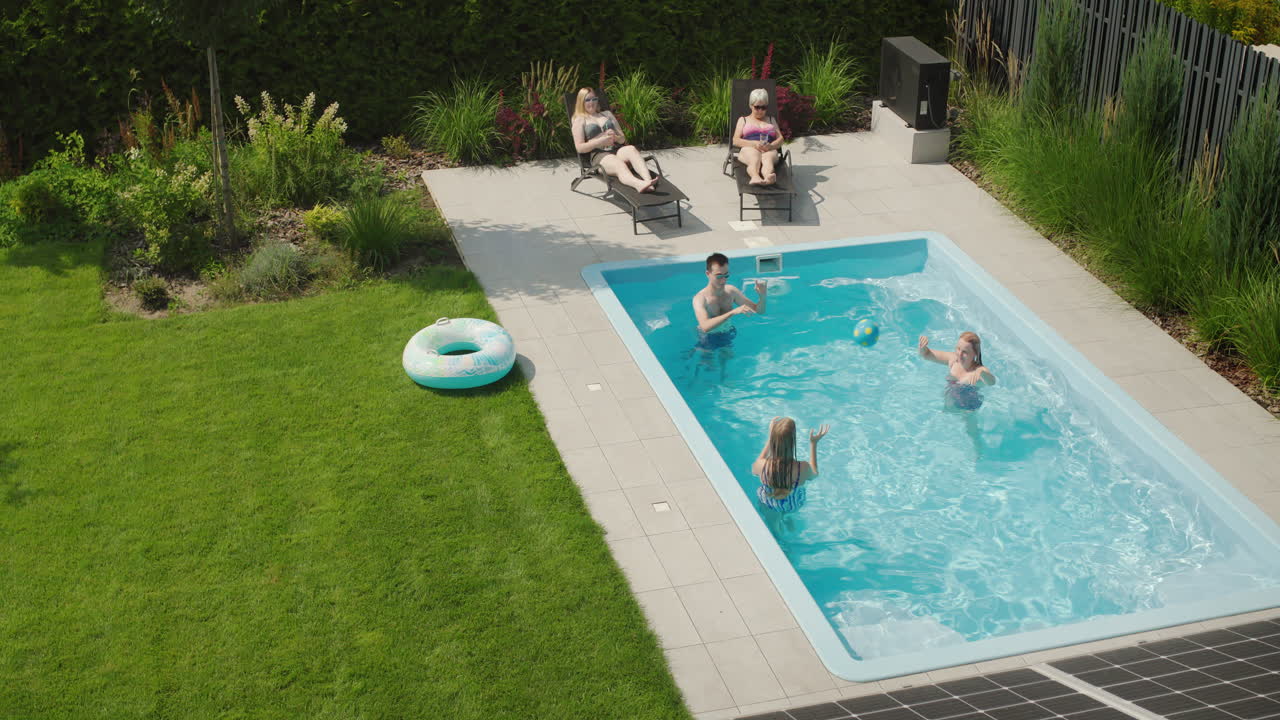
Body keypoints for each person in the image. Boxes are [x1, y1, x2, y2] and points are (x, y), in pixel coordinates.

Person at [571, 87, 659, 193]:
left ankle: (648, 180)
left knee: (631, 149)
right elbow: (579, 148)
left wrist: (615, 137)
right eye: (588, 100)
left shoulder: (607, 114)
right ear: (581, 102)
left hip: (617, 149)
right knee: (618, 164)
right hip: (600, 155)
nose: (592, 103)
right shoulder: (580, 119)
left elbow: (622, 139)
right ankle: (638, 185)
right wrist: (600, 141)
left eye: (594, 99)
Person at [752, 417, 831, 513]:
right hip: (792, 504)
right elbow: (815, 474)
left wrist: (770, 437)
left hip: (768, 501)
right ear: (793, 441)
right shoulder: (802, 468)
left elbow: (754, 471)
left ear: (773, 440)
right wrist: (813, 444)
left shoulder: (762, 465)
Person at [692, 252, 767, 352]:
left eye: (726, 275)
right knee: (708, 365)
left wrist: (762, 296)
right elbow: (705, 326)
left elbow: (759, 311)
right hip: (707, 337)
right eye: (719, 276)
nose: (723, 280)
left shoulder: (731, 291)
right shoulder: (700, 298)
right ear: (708, 274)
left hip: (727, 332)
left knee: (725, 363)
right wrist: (732, 312)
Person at [917, 331, 997, 410]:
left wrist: (981, 373)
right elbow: (926, 354)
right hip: (951, 401)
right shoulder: (953, 360)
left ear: (975, 354)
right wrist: (922, 347)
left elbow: (991, 382)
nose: (959, 354)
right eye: (958, 348)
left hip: (968, 407)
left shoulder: (977, 370)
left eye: (965, 352)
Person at [732, 88, 783, 186]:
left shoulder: (771, 120)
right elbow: (735, 140)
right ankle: (755, 176)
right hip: (750, 148)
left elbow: (780, 139)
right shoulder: (743, 120)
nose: (760, 110)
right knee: (754, 158)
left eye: (763, 107)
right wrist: (754, 144)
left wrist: (771, 146)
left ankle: (768, 177)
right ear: (751, 106)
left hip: (768, 149)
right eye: (757, 107)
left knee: (768, 159)